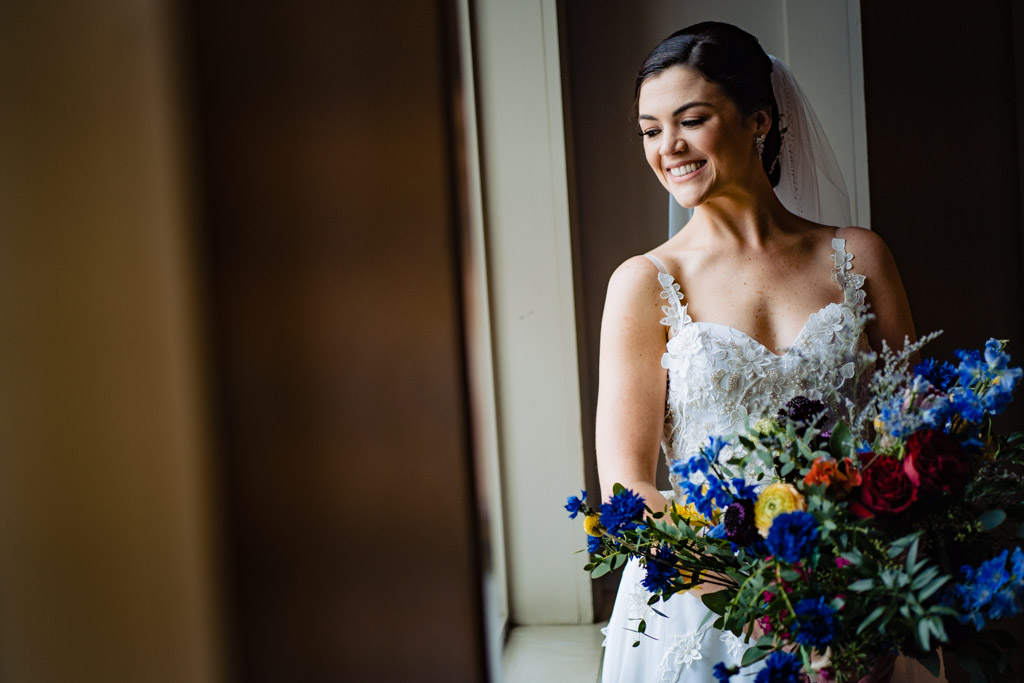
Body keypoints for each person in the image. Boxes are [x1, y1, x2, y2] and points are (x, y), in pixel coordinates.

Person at [595, 22, 942, 682]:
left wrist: (864, 589)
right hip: (703, 612)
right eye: (648, 129)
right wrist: (761, 603)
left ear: (759, 118)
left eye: (690, 120)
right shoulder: (643, 284)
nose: (667, 148)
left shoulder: (857, 257)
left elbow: (918, 439)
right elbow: (626, 488)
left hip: (856, 598)